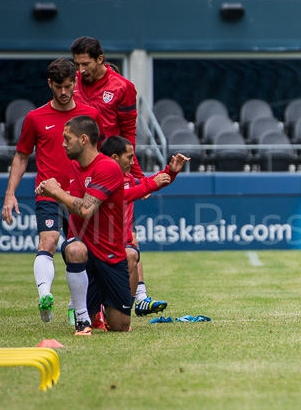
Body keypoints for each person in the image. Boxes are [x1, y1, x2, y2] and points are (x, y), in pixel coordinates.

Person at [70, 36, 168, 319]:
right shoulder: (72, 86)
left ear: (100, 59)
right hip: (80, 170)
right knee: (80, 237)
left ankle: (139, 296)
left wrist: (134, 173)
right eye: (77, 64)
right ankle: (83, 304)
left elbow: (128, 132)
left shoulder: (122, 88)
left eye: (85, 64)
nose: (81, 70)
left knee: (126, 234)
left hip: (111, 171)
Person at [1, 58, 101, 323]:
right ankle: (45, 295)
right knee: (48, 240)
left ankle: (75, 306)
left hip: (81, 195)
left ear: (75, 82)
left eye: (68, 86)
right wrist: (10, 194)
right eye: (58, 87)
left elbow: (98, 156)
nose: (64, 92)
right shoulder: (35, 118)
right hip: (48, 191)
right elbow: (21, 156)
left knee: (80, 250)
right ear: (50, 84)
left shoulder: (89, 115)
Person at [35, 115, 129, 335]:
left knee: (120, 326)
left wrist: (56, 192)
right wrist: (53, 191)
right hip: (84, 250)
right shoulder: (75, 166)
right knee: (75, 249)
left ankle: (101, 307)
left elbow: (86, 208)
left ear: (84, 139)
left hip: (109, 253)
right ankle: (82, 319)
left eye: (67, 138)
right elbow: (78, 199)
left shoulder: (107, 167)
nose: (63, 144)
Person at [97, 136, 188, 329]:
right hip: (100, 244)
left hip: (120, 243)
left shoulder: (128, 178)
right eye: (129, 157)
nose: (133, 162)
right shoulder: (102, 177)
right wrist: (151, 184)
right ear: (114, 158)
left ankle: (125, 310)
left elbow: (146, 183)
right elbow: (122, 196)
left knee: (132, 254)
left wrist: (170, 172)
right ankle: (84, 312)